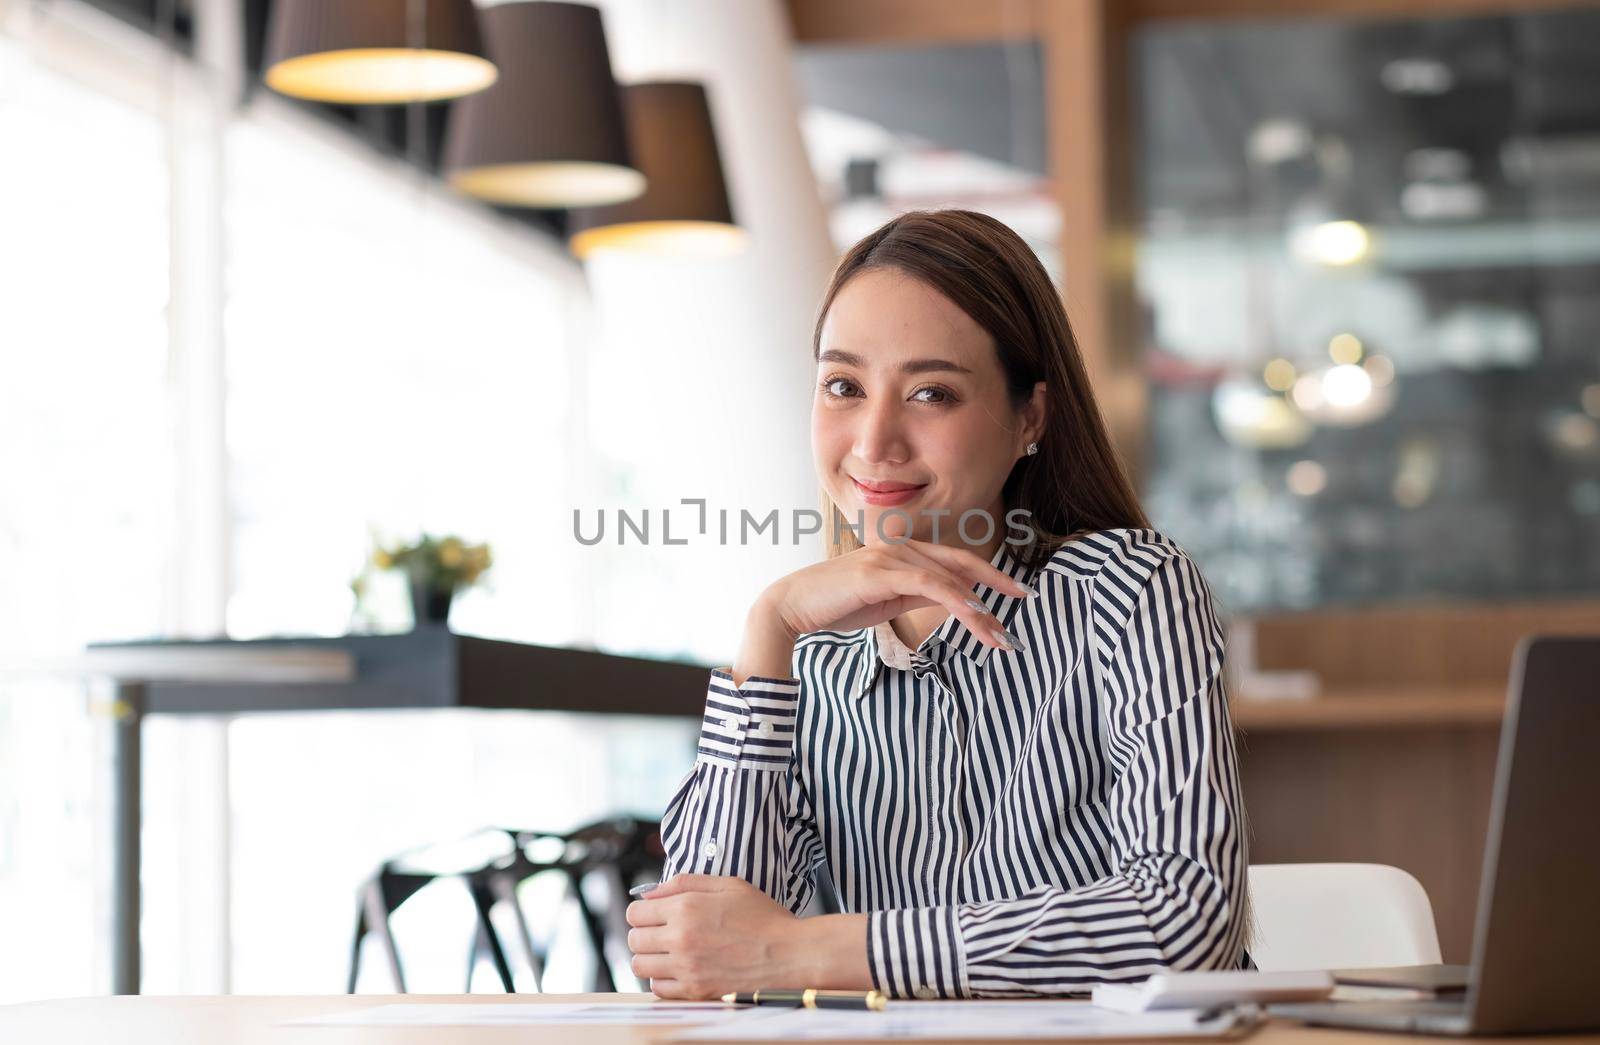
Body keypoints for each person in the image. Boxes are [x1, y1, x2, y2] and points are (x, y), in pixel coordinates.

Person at [625, 209, 1249, 1000]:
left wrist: (809, 952)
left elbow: (1184, 924)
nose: (875, 440)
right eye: (843, 386)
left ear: (1031, 416)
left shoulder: (1129, 591)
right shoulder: (807, 661)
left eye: (931, 392)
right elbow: (700, 958)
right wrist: (769, 630)